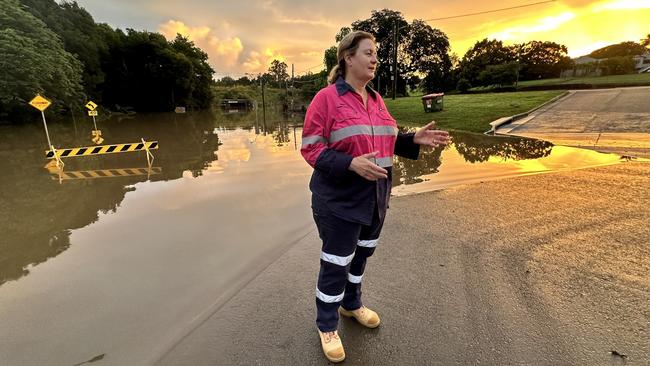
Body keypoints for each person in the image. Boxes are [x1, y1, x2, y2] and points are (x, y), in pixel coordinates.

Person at [300, 30, 452, 363]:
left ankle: (350, 304)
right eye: (368, 52)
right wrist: (349, 163)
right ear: (347, 58)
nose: (375, 59)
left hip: (376, 200)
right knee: (336, 263)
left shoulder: (376, 100)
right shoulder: (326, 99)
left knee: (360, 259)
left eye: (376, 54)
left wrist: (413, 139)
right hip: (339, 202)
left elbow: (388, 139)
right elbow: (310, 148)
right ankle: (327, 325)